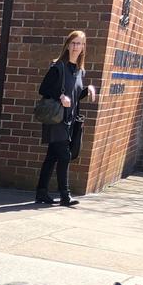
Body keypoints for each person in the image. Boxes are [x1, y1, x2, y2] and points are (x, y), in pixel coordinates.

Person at [35, 30, 96, 206]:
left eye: (80, 44)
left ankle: (41, 192)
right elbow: (44, 89)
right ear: (68, 45)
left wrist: (87, 90)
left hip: (69, 120)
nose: (76, 47)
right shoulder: (58, 67)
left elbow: (74, 96)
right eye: (74, 43)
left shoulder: (79, 71)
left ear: (84, 47)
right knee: (64, 156)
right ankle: (65, 195)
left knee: (52, 157)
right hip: (57, 119)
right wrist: (59, 97)